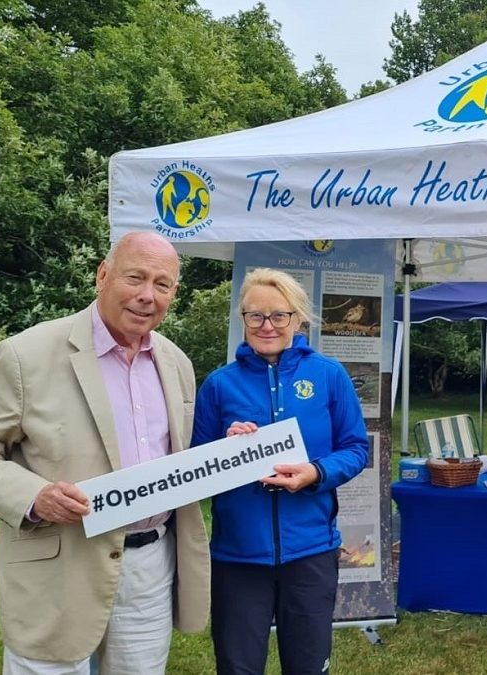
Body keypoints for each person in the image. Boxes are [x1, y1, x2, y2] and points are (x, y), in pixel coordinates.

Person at [0, 232, 210, 674]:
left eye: (162, 284)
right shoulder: (25, 355)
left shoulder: (177, 363)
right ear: (102, 275)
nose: (147, 295)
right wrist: (34, 496)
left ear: (174, 293)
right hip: (60, 565)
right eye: (135, 277)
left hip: (150, 566)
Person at [192, 267, 369, 675]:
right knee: (238, 668)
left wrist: (316, 472)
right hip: (238, 556)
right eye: (255, 316)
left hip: (310, 551)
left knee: (307, 667)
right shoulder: (220, 385)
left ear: (298, 318)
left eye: (278, 315)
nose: (266, 326)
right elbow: (197, 463)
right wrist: (225, 447)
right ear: (242, 320)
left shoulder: (328, 375)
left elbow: (356, 448)